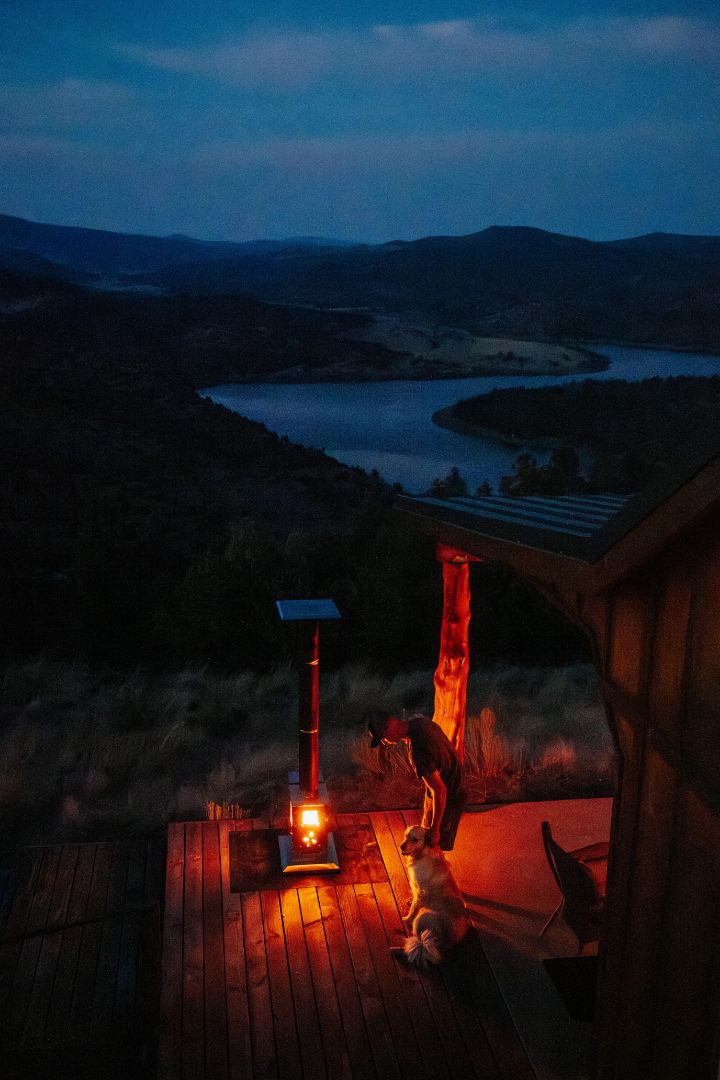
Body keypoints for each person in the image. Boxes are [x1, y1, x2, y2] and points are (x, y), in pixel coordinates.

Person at [368, 711, 466, 850]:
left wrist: (435, 827)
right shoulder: (420, 723)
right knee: (426, 841)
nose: (385, 741)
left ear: (390, 727)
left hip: (449, 795)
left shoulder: (417, 751)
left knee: (433, 846)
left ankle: (436, 870)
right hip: (452, 782)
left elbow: (440, 790)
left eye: (383, 737)